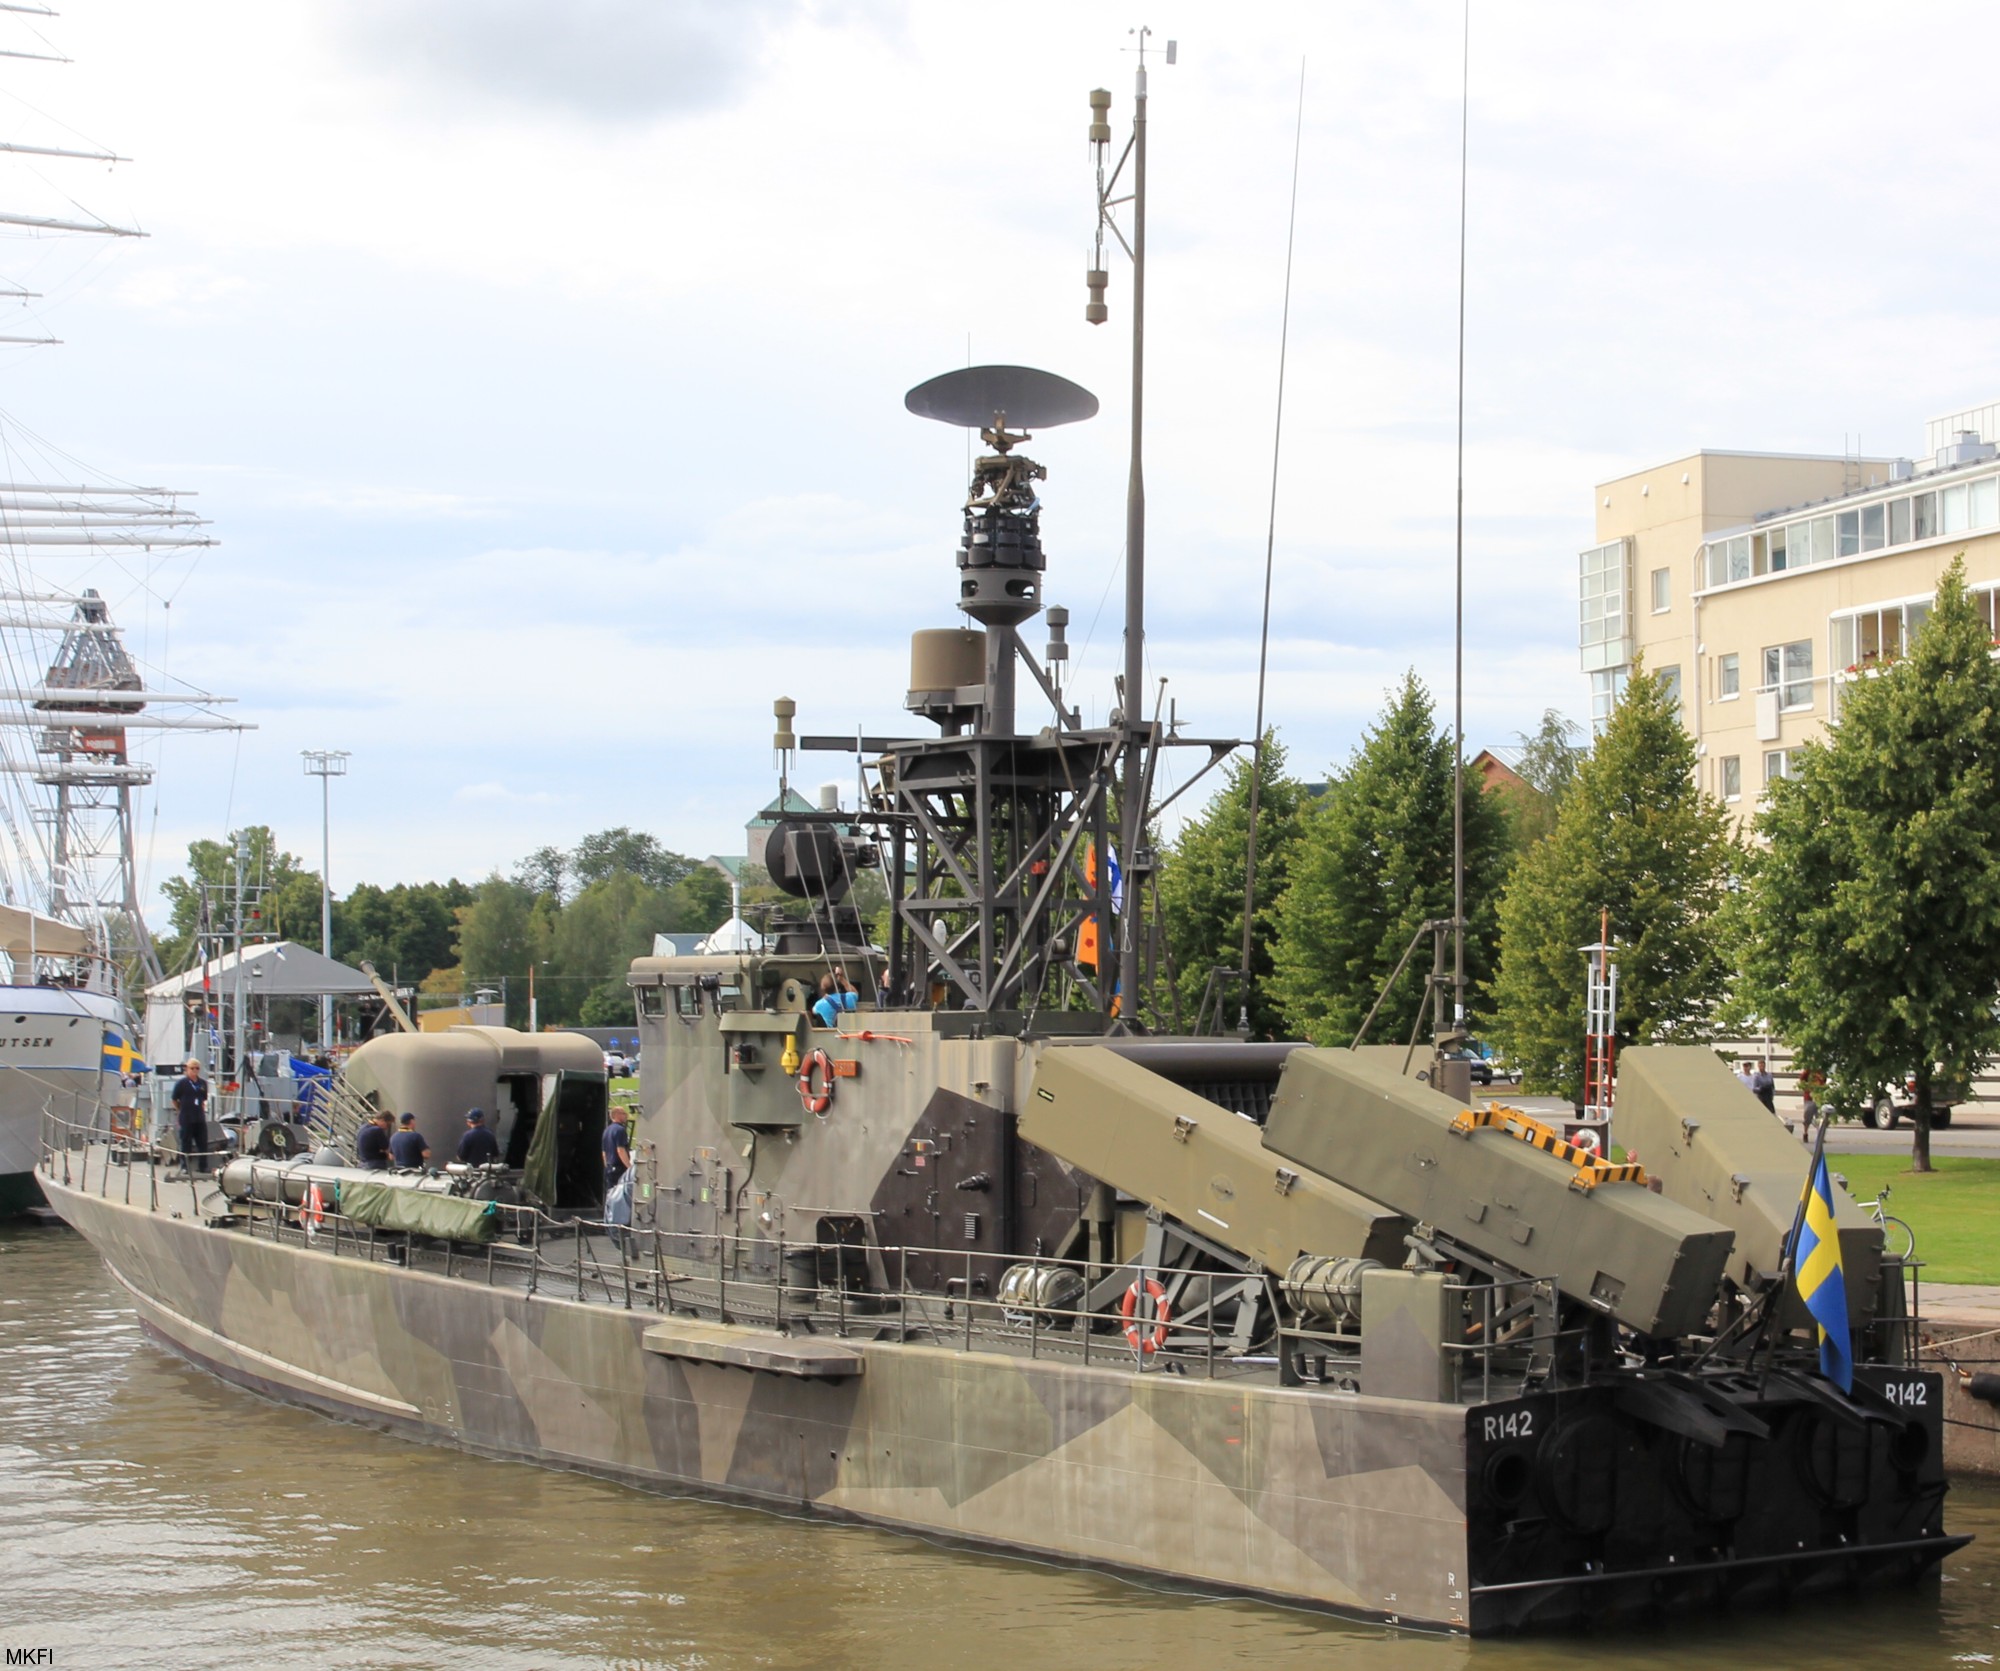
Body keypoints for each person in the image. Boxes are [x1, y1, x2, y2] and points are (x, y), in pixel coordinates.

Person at [171, 1057, 210, 1177]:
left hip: (199, 1117)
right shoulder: (181, 1084)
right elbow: (174, 1098)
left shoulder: (202, 1083)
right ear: (187, 1069)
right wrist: (180, 1109)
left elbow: (204, 1098)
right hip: (186, 1117)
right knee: (186, 1142)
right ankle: (185, 1167)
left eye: (197, 1068)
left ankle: (203, 1166)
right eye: (192, 1068)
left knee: (202, 1142)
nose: (194, 1070)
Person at [602, 1104, 631, 1191]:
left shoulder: (607, 1130)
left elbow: (604, 1153)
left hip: (609, 1168)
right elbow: (620, 1150)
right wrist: (629, 1167)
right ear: (617, 1115)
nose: (626, 1115)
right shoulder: (620, 1130)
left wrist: (606, 1166)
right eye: (623, 1113)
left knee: (610, 1194)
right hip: (619, 1168)